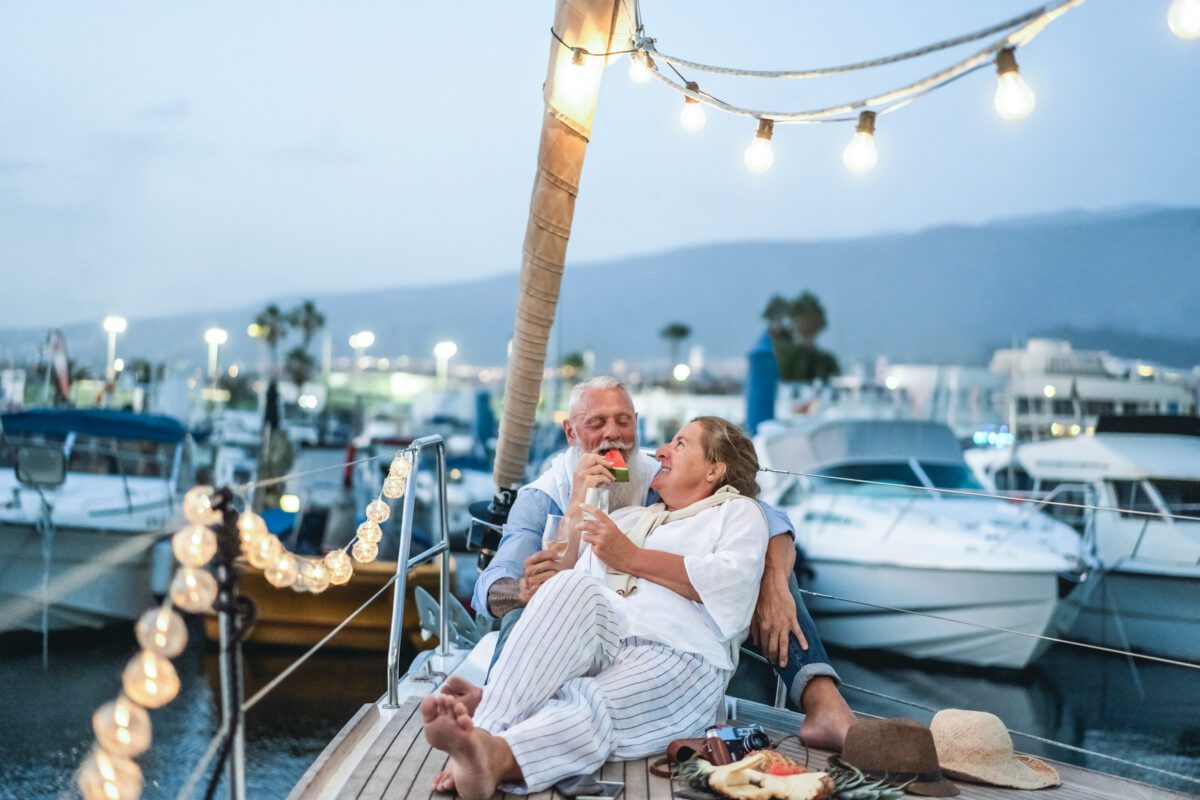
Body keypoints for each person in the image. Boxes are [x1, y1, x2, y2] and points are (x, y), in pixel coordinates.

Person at [471, 376, 855, 749]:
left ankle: (823, 702)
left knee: (770, 571)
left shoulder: (658, 474)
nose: (613, 435)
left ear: (636, 424)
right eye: (596, 423)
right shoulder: (541, 498)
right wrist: (523, 590)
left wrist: (772, 579)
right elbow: (491, 588)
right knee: (527, 609)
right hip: (583, 618)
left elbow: (756, 511)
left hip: (661, 630)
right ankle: (495, 713)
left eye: (623, 421)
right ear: (571, 433)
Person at [423, 417, 769, 797]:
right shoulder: (631, 518)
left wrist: (631, 556)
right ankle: (488, 724)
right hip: (608, 646)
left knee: (594, 701)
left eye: (681, 444)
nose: (662, 451)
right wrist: (578, 501)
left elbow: (731, 583)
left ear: (714, 470)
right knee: (570, 584)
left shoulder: (735, 513)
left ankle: (495, 754)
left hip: (680, 655)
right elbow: (568, 599)